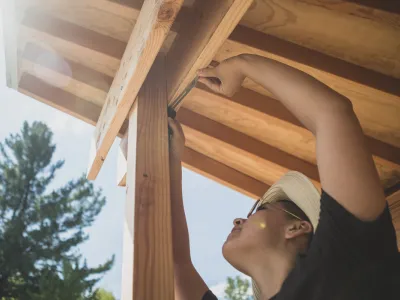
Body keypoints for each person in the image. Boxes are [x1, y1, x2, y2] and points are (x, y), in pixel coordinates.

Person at [167, 54, 399, 300]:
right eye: (260, 210)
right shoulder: (345, 254)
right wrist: (168, 158)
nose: (237, 220)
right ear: (297, 227)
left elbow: (174, 265)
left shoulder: (347, 259)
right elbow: (331, 114)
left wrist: (243, 64)